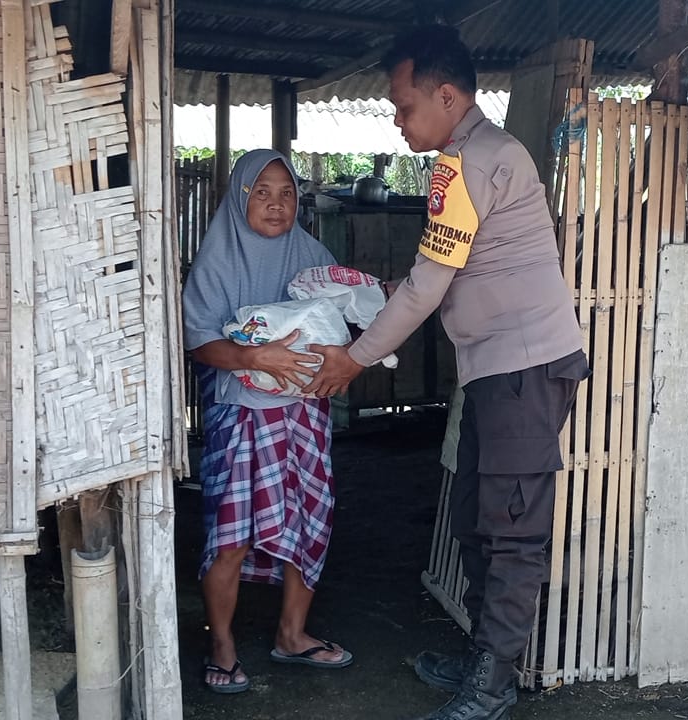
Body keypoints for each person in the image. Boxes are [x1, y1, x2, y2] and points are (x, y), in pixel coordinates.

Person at [305, 25, 587, 720]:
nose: (398, 122)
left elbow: (428, 288)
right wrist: (379, 297)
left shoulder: (474, 162)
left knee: (510, 530)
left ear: (448, 97)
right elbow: (439, 273)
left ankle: (492, 685)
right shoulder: (468, 161)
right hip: (496, 369)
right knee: (473, 516)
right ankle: (484, 660)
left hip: (524, 366)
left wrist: (354, 359)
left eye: (404, 107)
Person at [182, 149, 353, 695]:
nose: (277, 204)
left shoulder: (312, 254)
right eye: (262, 192)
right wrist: (254, 357)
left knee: (309, 519)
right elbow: (199, 341)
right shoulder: (218, 260)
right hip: (240, 414)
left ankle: (292, 634)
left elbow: (342, 320)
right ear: (240, 199)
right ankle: (222, 645)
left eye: (286, 193)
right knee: (232, 532)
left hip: (305, 412)